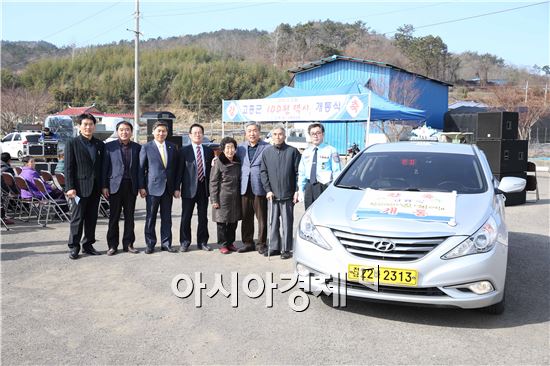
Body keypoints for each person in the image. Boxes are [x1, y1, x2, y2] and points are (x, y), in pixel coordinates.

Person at [65, 113, 105, 259]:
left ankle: (88, 245)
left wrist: (103, 186)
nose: (88, 127)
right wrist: (69, 187)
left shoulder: (99, 144)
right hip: (78, 189)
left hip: (95, 188)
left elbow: (102, 168)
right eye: (85, 124)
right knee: (77, 218)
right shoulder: (72, 143)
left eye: (91, 124)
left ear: (94, 126)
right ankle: (74, 246)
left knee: (92, 218)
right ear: (79, 126)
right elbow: (68, 167)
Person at [260, 125, 301, 260]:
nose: (278, 137)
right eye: (275, 134)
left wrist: (296, 191)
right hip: (273, 195)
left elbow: (298, 173)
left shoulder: (293, 151)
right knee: (273, 223)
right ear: (272, 137)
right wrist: (268, 190)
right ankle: (274, 247)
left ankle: (286, 249)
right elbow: (263, 172)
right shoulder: (267, 153)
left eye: (280, 134)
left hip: (288, 194)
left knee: (287, 223)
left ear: (285, 136)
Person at [102, 121, 141, 255]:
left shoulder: (137, 147)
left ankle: (129, 244)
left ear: (131, 132)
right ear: (117, 131)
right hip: (114, 187)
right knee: (114, 217)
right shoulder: (109, 147)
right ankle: (112, 245)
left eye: (127, 130)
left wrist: (141, 186)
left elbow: (140, 170)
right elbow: (104, 168)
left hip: (131, 186)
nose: (124, 132)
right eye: (122, 130)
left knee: (130, 217)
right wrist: (104, 186)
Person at [139, 121, 178, 254]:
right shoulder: (146, 147)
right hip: (152, 188)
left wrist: (176, 187)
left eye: (164, 131)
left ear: (167, 133)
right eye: (159, 131)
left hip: (168, 188)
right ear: (153, 132)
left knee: (167, 218)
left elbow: (175, 170)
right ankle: (150, 244)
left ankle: (166, 243)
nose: (161, 133)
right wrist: (141, 187)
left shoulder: (172, 147)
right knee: (151, 217)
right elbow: (141, 169)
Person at [175, 123, 214, 252]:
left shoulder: (208, 151)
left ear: (203, 135)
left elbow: (211, 172)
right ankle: (185, 242)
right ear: (190, 135)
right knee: (186, 216)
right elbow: (179, 171)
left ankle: (202, 242)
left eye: (200, 132)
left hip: (204, 188)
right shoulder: (183, 151)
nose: (198, 135)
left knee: (203, 217)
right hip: (188, 188)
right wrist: (177, 188)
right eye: (195, 133)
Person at [236, 122, 269, 254]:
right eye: (249, 131)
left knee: (261, 218)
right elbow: (231, 159)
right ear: (245, 133)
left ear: (259, 132)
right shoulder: (240, 148)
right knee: (246, 217)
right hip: (244, 187)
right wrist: (217, 160)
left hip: (260, 187)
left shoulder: (267, 147)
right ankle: (248, 243)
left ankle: (261, 243)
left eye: (254, 130)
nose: (252, 133)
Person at [210, 137, 242, 254]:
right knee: (222, 222)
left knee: (233, 222)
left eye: (232, 147)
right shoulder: (218, 162)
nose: (230, 150)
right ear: (223, 149)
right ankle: (222, 244)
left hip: (235, 197)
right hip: (222, 197)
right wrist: (214, 199)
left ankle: (230, 243)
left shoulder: (238, 161)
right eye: (227, 148)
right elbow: (213, 182)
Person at [298, 122, 341, 209]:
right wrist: (300, 189)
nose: (315, 136)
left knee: (324, 212)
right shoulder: (306, 152)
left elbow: (337, 171)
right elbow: (302, 172)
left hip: (324, 186)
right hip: (309, 186)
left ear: (323, 134)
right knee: (309, 213)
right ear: (310, 135)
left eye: (318, 133)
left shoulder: (331, 150)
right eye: (313, 134)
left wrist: (335, 189)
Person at [1, 152, 16, 224]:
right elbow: (14, 181)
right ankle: (3, 217)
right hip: (4, 190)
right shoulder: (8, 169)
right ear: (9, 160)